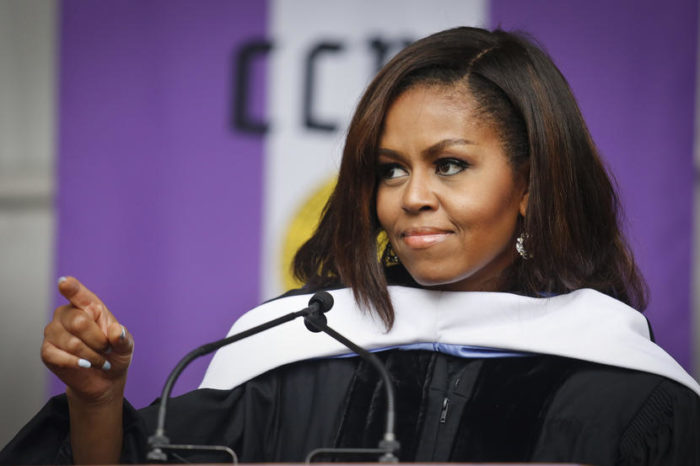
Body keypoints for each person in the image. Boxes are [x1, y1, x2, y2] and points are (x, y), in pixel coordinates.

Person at [2, 26, 699, 465]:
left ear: (531, 185)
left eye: (449, 164)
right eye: (389, 169)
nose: (411, 196)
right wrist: (98, 403)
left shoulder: (626, 387)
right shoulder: (293, 350)